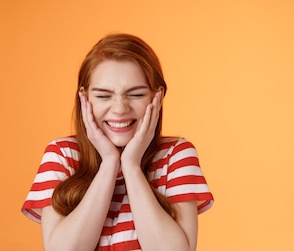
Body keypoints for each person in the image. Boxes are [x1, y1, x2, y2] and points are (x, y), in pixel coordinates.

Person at [21, 33, 214, 251]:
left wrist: (131, 166)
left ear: (157, 97)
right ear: (84, 98)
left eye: (136, 95)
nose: (120, 109)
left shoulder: (177, 155)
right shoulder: (62, 155)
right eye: (103, 96)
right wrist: (110, 162)